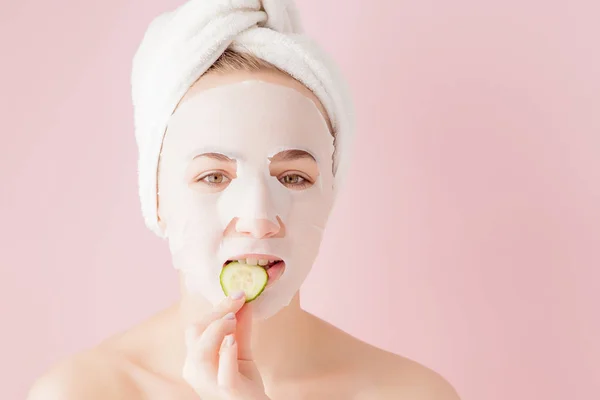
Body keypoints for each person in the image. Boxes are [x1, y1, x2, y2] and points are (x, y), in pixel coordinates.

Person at [27, 1, 460, 399]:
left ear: (330, 194)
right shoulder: (80, 392)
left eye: (293, 178)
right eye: (214, 176)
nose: (258, 219)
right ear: (155, 198)